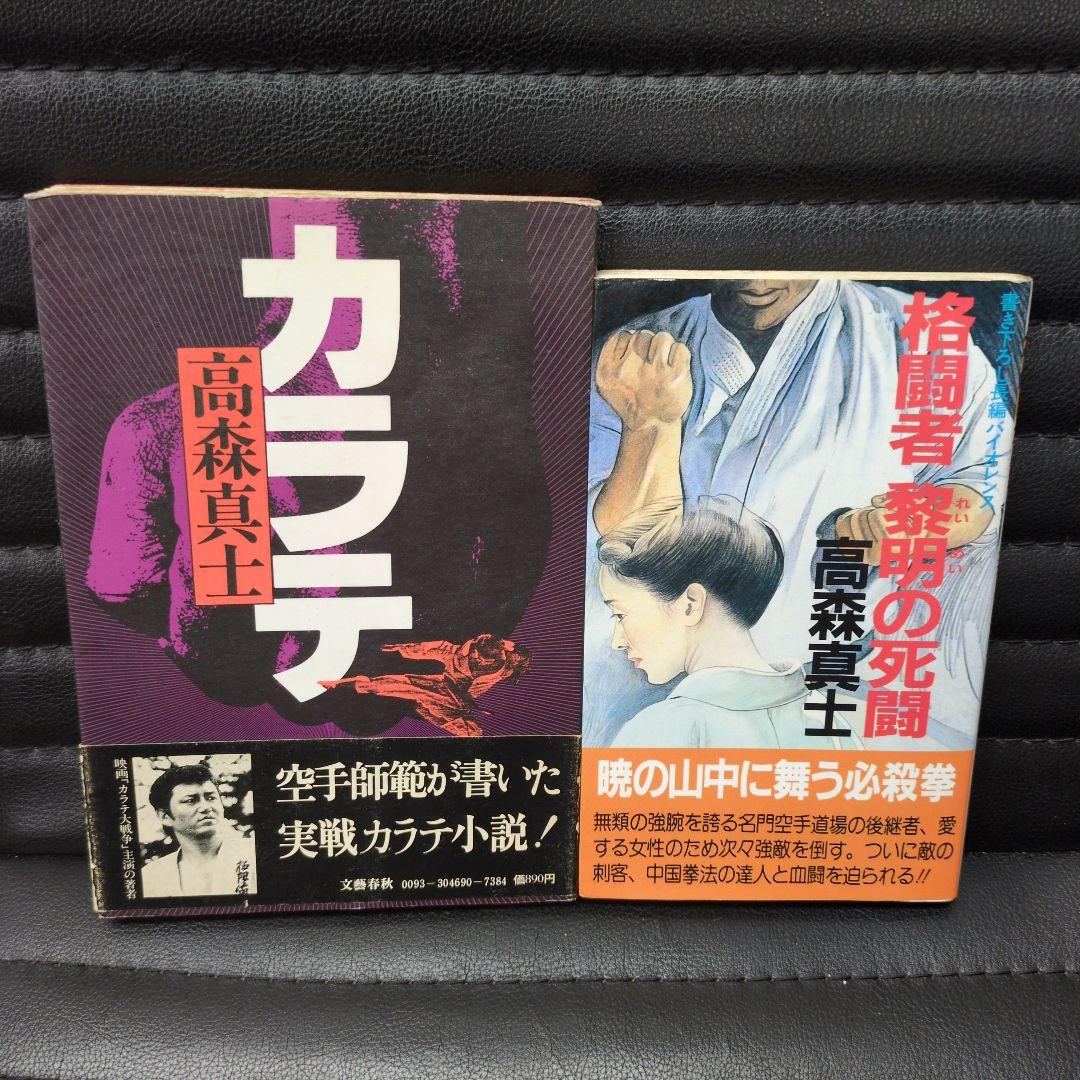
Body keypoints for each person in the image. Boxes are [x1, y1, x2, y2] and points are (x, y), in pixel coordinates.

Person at [585, 277, 1002, 747]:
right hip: (648, 687)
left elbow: (981, 482)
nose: (757, 282)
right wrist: (649, 424)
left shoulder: (923, 336)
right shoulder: (636, 354)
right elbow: (619, 544)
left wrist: (913, 523)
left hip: (834, 678)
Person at [598, 499, 863, 749]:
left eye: (620, 614)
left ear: (690, 604)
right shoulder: (829, 724)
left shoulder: (661, 728)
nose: (617, 642)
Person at [141, 763, 257, 898]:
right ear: (165, 816)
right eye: (191, 800)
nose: (205, 807)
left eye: (211, 798)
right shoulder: (151, 877)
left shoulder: (254, 856)